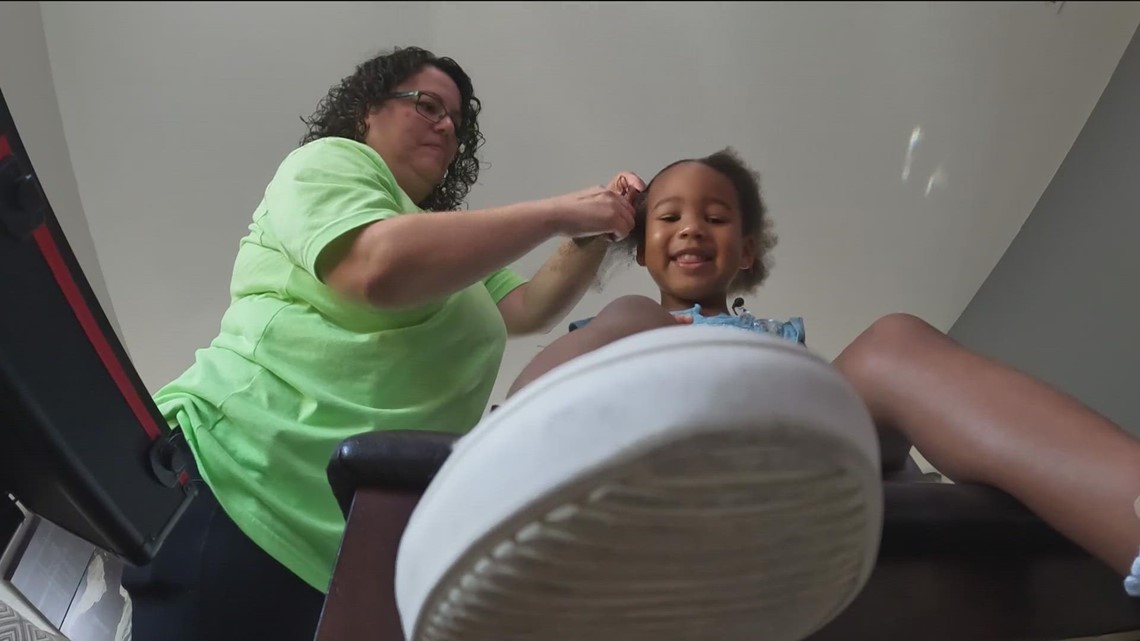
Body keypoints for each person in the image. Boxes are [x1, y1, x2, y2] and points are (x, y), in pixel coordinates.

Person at [122, 45, 647, 641]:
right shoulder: (328, 163)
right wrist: (557, 212)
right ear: (368, 110)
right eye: (428, 105)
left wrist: (596, 230)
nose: (447, 127)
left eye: (456, 122)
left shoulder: (450, 250)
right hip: (243, 482)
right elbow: (374, 267)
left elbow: (529, 308)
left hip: (343, 546)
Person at [505, 147, 1140, 596]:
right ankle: (504, 463)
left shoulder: (778, 342)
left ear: (746, 250)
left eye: (716, 217)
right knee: (628, 315)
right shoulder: (631, 318)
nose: (692, 227)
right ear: (642, 249)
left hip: (797, 451)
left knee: (892, 343)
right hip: (666, 453)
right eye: (668, 217)